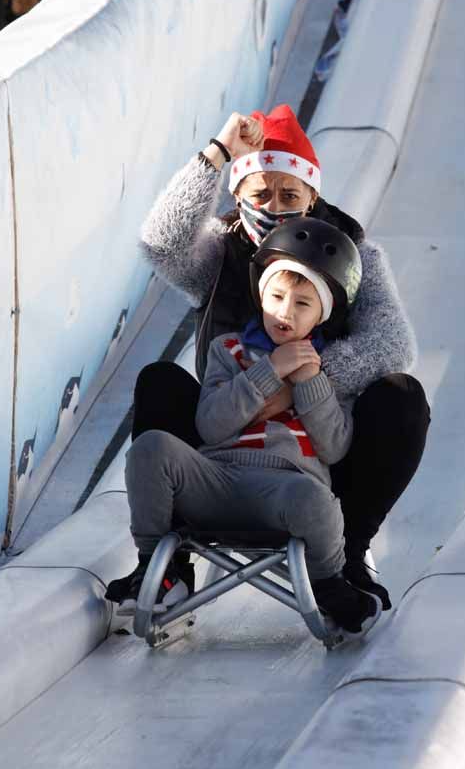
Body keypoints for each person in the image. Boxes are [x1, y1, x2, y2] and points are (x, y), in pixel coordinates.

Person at [129, 103, 430, 609]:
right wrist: (218, 154)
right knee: (160, 380)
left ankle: (347, 551)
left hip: (317, 439)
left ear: (312, 196)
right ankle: (163, 568)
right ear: (238, 193)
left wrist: (298, 385)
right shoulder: (222, 254)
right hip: (223, 434)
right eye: (260, 192)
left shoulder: (351, 259)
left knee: (401, 397)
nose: (274, 205)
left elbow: (393, 343)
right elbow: (162, 245)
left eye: (289, 194)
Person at [107, 219, 382, 639]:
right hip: (214, 479)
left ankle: (329, 584)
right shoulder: (229, 349)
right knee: (151, 448)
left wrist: (308, 380)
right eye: (276, 296)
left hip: (283, 490)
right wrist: (270, 370)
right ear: (260, 295)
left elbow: (334, 448)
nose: (284, 312)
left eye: (303, 304)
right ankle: (156, 571)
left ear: (323, 314)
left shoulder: (330, 370)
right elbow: (211, 425)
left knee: (316, 498)